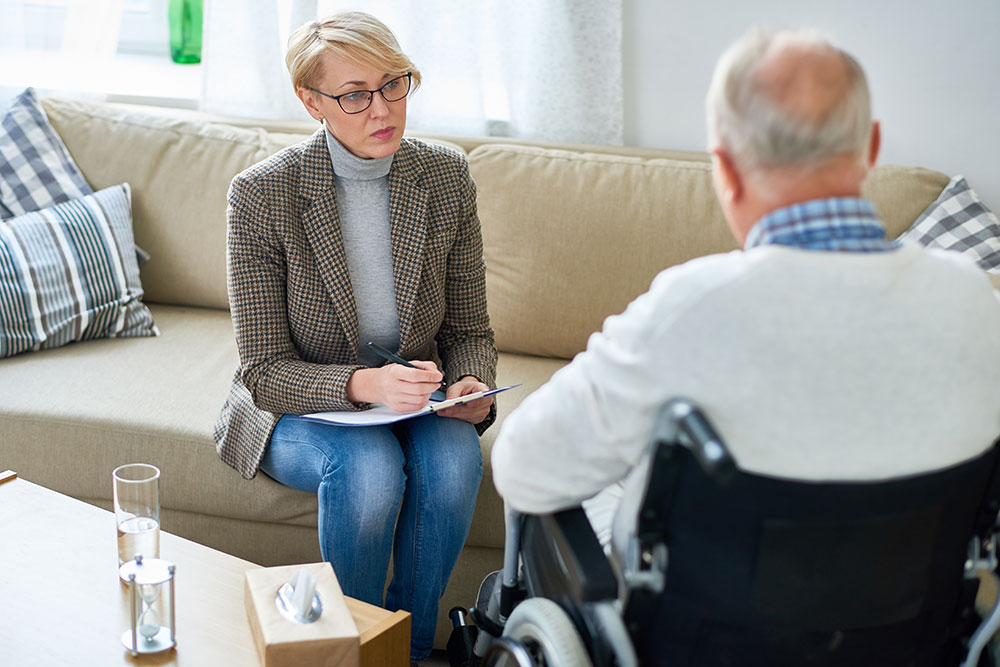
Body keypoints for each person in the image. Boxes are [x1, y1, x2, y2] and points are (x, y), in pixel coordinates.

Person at [491, 28, 1000, 553]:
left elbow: (523, 466)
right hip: (915, 619)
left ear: (727, 170)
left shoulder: (690, 307)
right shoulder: (973, 298)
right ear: (871, 148)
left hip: (709, 627)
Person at [213, 11, 498, 663]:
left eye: (394, 84)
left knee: (453, 461)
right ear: (310, 101)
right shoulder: (262, 195)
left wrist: (468, 385)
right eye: (354, 94)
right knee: (370, 472)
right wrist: (365, 385)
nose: (383, 109)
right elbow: (263, 370)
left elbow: (469, 329)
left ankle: (412, 645)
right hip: (300, 405)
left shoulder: (445, 177)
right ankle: (352, 652)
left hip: (412, 396)